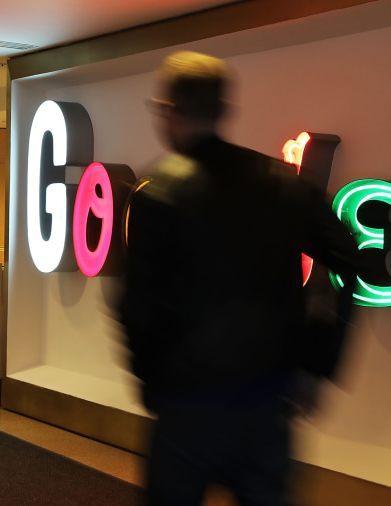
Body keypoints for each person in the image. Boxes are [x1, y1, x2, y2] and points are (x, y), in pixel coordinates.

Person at [118, 50, 359, 506]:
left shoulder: (159, 191)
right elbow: (349, 260)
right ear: (223, 111)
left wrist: (148, 379)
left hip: (185, 403)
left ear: (169, 111)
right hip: (267, 403)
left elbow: (137, 304)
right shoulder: (282, 185)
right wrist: (318, 362)